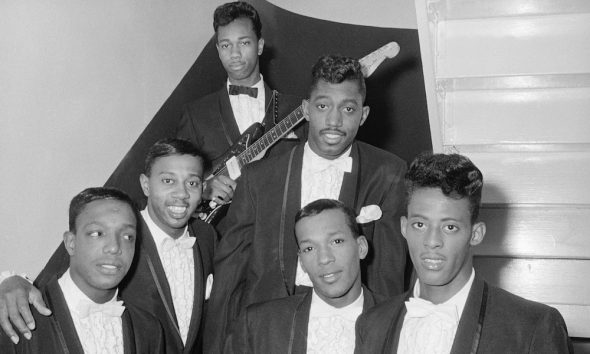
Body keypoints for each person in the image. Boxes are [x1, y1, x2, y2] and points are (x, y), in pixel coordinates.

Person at [205, 54, 409, 352]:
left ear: (363, 115)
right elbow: (229, 275)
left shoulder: (389, 173)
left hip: (350, 324)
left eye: (348, 109)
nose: (334, 121)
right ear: (305, 110)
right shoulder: (259, 177)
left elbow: (388, 275)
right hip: (270, 327)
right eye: (323, 106)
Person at [0, 138, 216, 354]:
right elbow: (69, 275)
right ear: (145, 184)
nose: (114, 247)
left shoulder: (207, 238)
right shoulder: (123, 227)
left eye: (192, 183)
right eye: (168, 181)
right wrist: (9, 280)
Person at [355, 153, 573, 354]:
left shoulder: (532, 327)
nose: (432, 242)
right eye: (420, 224)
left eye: (449, 227)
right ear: (404, 228)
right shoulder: (372, 325)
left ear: (475, 234)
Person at [0, 187, 164, 353]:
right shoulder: (17, 318)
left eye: (128, 236)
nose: (114, 247)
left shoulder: (149, 330)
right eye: (97, 233)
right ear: (71, 243)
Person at [177, 1, 306, 208]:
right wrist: (205, 189)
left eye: (244, 43)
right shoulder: (195, 114)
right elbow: (178, 181)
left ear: (260, 46)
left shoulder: (297, 109)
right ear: (218, 50)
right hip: (222, 234)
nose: (234, 54)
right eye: (226, 45)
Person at [223, 199, 388, 354]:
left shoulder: (399, 320)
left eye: (336, 241)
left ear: (361, 247)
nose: (324, 258)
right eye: (309, 248)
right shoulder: (258, 324)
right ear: (301, 261)